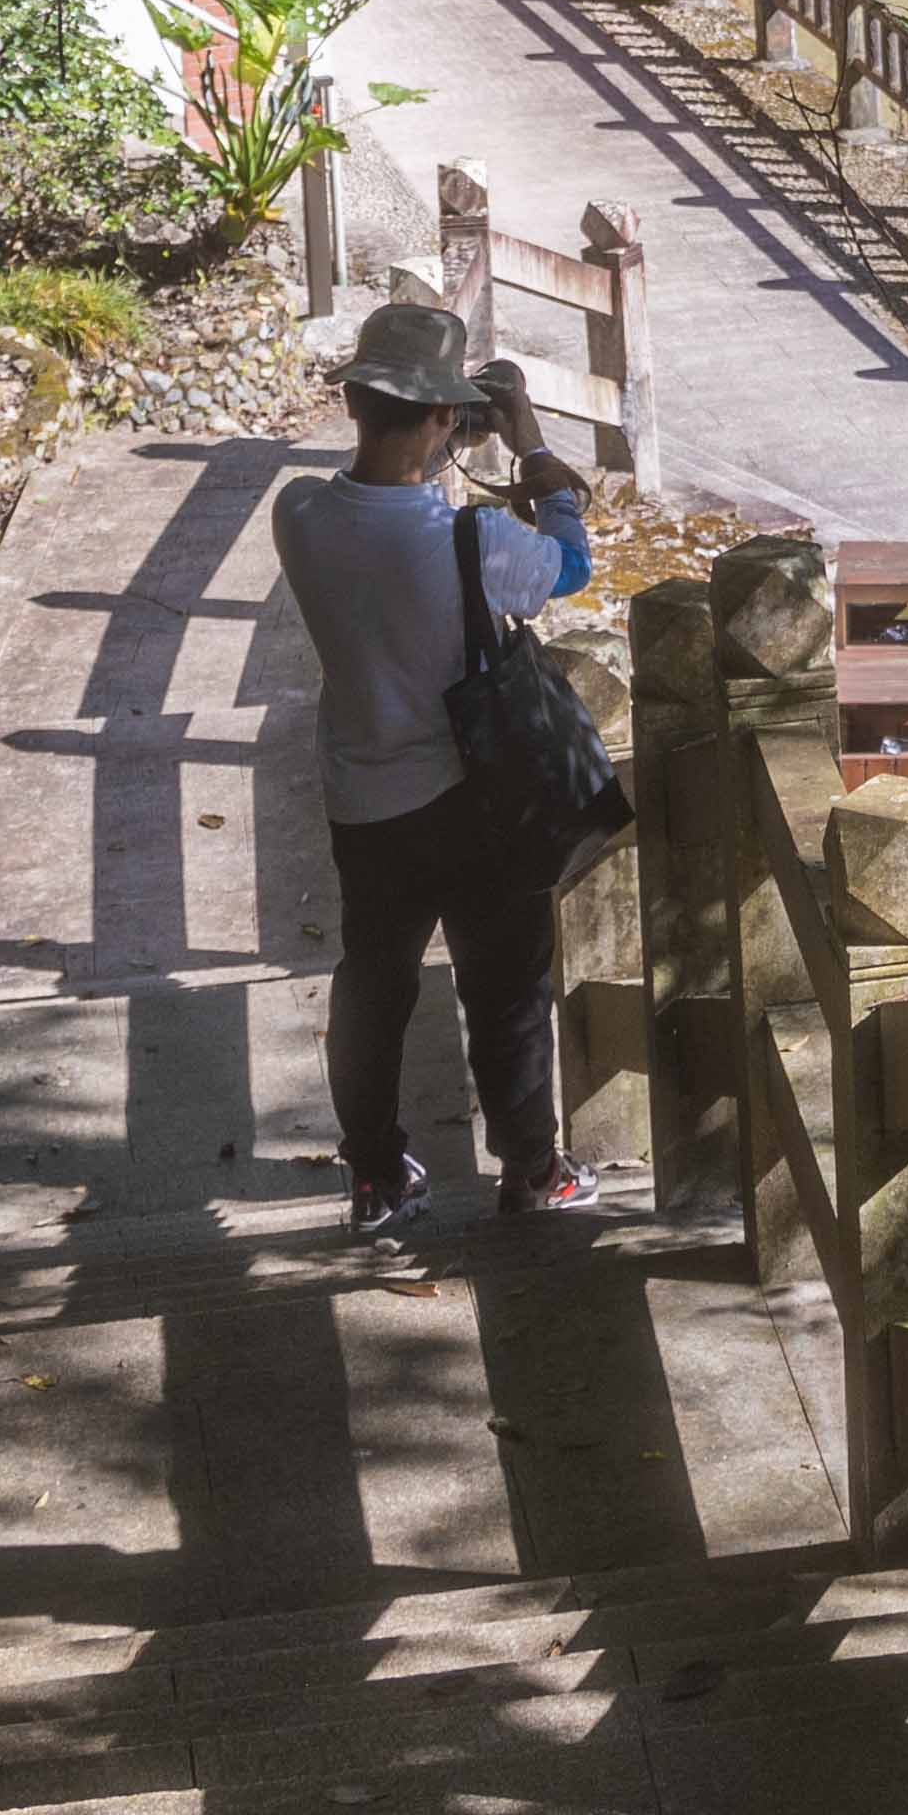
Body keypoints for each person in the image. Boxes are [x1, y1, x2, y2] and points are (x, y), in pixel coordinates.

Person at [273, 294, 601, 1231]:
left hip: (363, 801)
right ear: (442, 419)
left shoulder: (297, 513)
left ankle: (375, 1175)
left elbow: (377, 510)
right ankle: (532, 1172)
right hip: (472, 802)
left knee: (373, 987)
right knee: (505, 990)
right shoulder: (471, 540)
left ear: (353, 405)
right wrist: (530, 442)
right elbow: (570, 565)